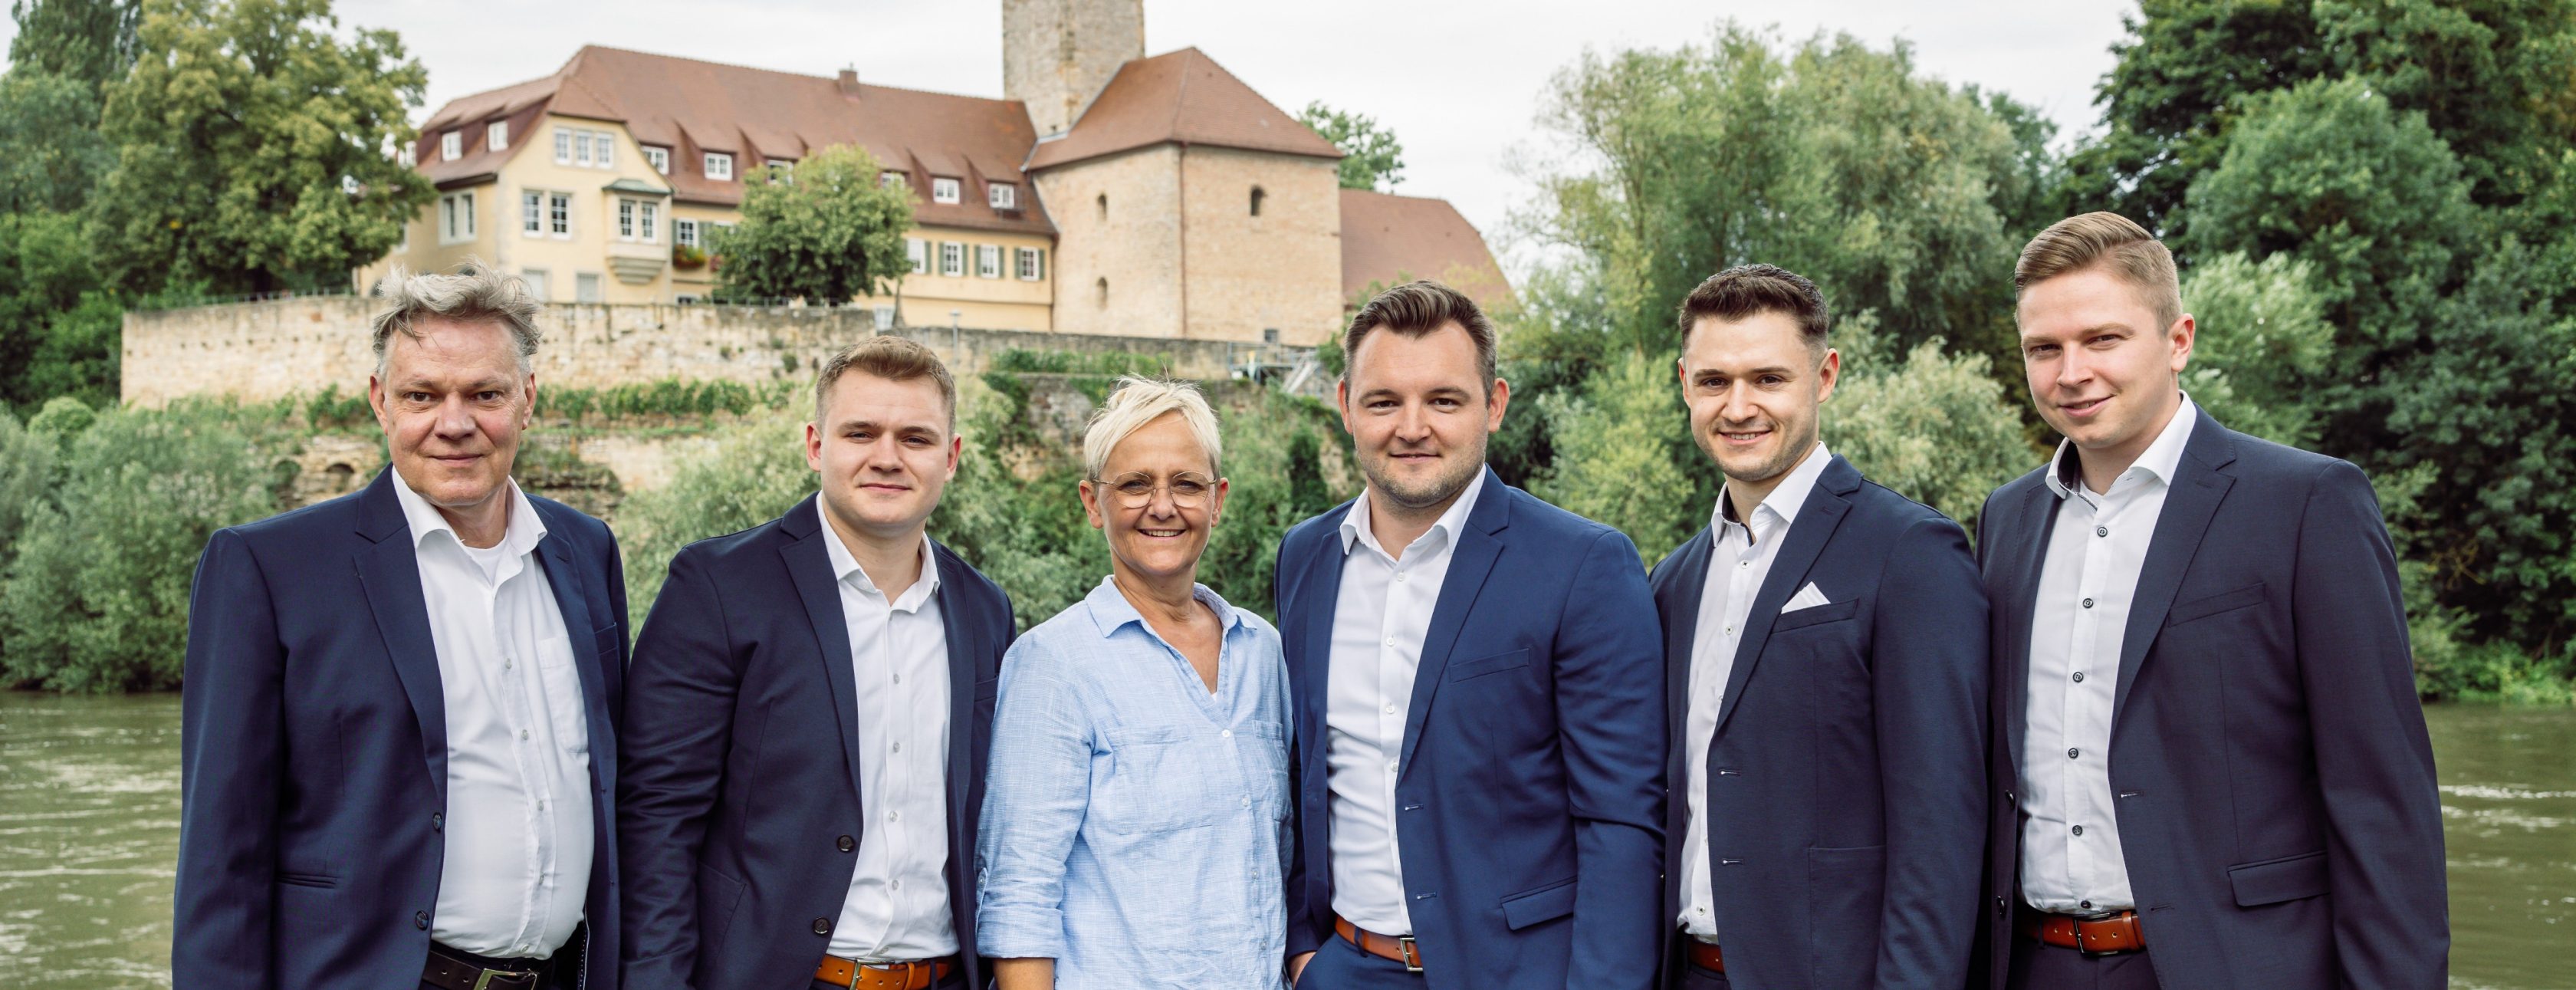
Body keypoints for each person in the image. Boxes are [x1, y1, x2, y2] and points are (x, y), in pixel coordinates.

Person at [1976, 212, 2446, 989]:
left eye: (2103, 339)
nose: (2071, 372)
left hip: (2243, 966)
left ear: (2178, 339)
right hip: (2033, 965)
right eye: (2044, 349)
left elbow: (2381, 799)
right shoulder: (2008, 519)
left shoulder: (2306, 504)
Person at [173, 264, 629, 990]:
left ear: (528, 400)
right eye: (424, 395)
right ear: (382, 402)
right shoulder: (268, 568)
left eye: (485, 393)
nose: (455, 423)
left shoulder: (584, 549)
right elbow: (221, 854)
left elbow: (613, 786)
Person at [1274, 281, 1666, 990]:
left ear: (1496, 404)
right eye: (1384, 400)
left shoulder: (1583, 565)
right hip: (1343, 969)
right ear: (1344, 406)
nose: (1412, 426)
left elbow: (1622, 821)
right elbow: (1309, 765)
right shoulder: (1305, 557)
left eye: (1444, 400)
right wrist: (1307, 948)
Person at [618, 336, 1015, 990]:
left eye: (915, 438)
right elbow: (657, 817)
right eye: (860, 432)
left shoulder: (985, 610)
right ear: (815, 445)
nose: (887, 457)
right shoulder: (718, 587)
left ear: (951, 458)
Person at [1646, 265, 1988, 989]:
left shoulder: (1910, 552)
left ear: (1824, 374)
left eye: (1768, 378)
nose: (1738, 406)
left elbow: (1941, 829)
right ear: (1684, 384)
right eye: (1714, 382)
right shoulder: (1674, 580)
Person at [976, 378, 1293, 990]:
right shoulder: (1054, 663)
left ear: (1218, 499)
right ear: (1094, 503)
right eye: (1135, 483)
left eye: (1187, 483)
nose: (1163, 505)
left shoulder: (1264, 652)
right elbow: (1019, 893)